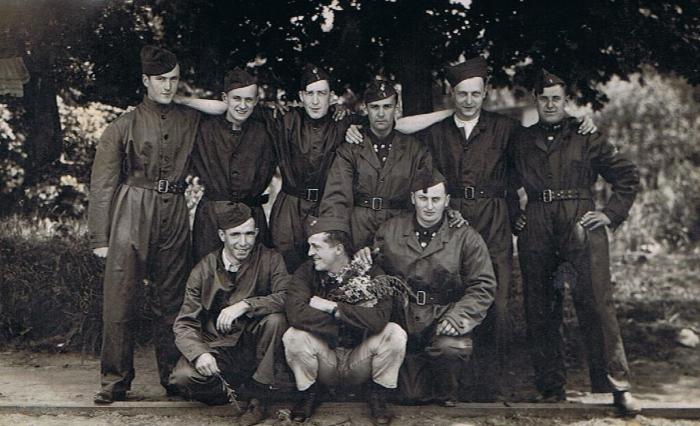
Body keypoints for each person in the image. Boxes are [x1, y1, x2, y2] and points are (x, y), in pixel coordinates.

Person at [345, 56, 597, 401]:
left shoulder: (504, 128)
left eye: (475, 94)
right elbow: (396, 125)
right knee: (446, 292)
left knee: (497, 302)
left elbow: (539, 147)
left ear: (485, 93)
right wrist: (361, 122)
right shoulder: (438, 130)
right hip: (451, 217)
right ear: (451, 94)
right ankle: (445, 382)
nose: (468, 101)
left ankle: (485, 388)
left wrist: (578, 121)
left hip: (493, 217)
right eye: (461, 94)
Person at [511, 69, 641, 414]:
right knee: (539, 305)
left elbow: (627, 175)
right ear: (535, 101)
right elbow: (501, 181)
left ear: (565, 101)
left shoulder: (586, 135)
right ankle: (550, 387)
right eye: (544, 98)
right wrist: (516, 214)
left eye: (556, 98)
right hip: (537, 221)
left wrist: (610, 215)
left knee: (597, 302)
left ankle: (617, 385)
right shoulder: (521, 140)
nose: (550, 104)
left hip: (580, 219)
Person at [88, 45, 201, 404]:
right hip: (132, 209)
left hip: (175, 211)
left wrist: (191, 100)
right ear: (145, 81)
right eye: (161, 80)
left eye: (173, 80)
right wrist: (100, 237)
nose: (167, 87)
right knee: (121, 298)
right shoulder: (123, 124)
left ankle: (173, 376)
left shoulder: (189, 119)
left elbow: (226, 109)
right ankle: (115, 380)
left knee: (172, 299)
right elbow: (103, 183)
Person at [177, 64, 363, 273]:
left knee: (327, 267)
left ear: (332, 97)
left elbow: (378, 124)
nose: (316, 100)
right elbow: (229, 107)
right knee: (284, 267)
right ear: (301, 96)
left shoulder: (343, 122)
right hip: (289, 208)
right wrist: (179, 100)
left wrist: (352, 124)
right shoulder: (284, 118)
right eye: (310, 93)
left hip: (326, 206)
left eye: (322, 93)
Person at [355, 170, 496, 405]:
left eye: (436, 199)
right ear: (412, 199)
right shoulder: (390, 230)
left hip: (442, 315)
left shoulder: (466, 237)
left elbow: (483, 285)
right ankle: (417, 381)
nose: (429, 207)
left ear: (447, 201)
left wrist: (459, 316)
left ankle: (446, 390)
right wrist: (364, 257)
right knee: (411, 395)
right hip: (404, 317)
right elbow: (374, 271)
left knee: (451, 347)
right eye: (423, 198)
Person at [169, 202, 289, 424]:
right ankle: (237, 388)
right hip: (219, 347)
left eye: (248, 234)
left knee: (276, 320)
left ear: (256, 233)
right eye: (235, 235)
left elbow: (286, 296)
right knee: (182, 378)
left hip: (255, 345)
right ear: (222, 235)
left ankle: (259, 397)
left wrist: (246, 305)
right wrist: (199, 354)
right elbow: (185, 323)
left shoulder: (271, 259)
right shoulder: (203, 269)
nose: (243, 243)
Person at [283, 216, 407, 424]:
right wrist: (347, 322)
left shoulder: (372, 272)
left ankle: (378, 394)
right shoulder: (306, 272)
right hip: (325, 359)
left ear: (338, 249)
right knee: (293, 336)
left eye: (316, 247)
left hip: (360, 360)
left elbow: (379, 319)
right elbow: (296, 313)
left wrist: (334, 308)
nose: (310, 253)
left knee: (394, 333)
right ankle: (309, 394)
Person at [320, 80, 458, 249]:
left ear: (396, 108)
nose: (381, 114)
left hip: (399, 229)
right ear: (365, 109)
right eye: (375, 107)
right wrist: (338, 237)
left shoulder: (415, 150)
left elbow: (430, 187)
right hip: (358, 228)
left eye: (387, 107)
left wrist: (448, 210)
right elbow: (337, 196)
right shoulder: (350, 149)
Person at [190, 67, 276, 262]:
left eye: (249, 100)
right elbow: (173, 106)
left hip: (251, 217)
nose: (243, 105)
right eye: (236, 98)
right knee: (209, 276)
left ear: (256, 101)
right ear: (224, 98)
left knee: (253, 277)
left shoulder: (265, 131)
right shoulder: (203, 128)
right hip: (212, 218)